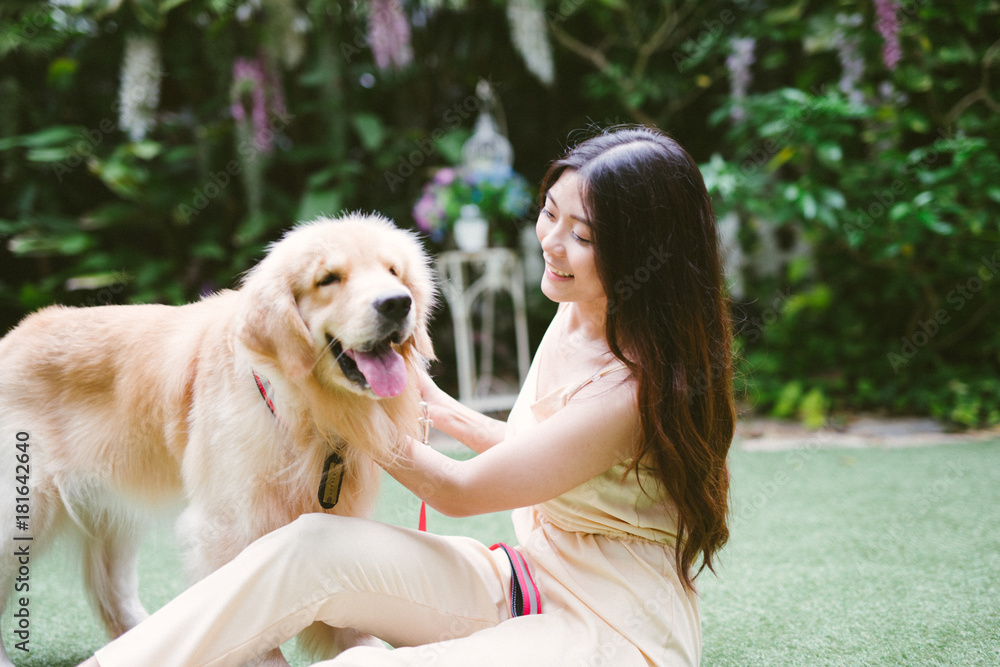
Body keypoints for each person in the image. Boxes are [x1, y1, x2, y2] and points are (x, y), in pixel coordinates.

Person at [78, 125, 735, 667]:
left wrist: (349, 408)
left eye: (583, 235)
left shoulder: (631, 388)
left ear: (645, 250)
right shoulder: (581, 308)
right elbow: (549, 457)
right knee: (308, 545)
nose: (551, 242)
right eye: (549, 212)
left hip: (608, 631)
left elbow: (461, 491)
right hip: (520, 579)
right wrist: (440, 407)